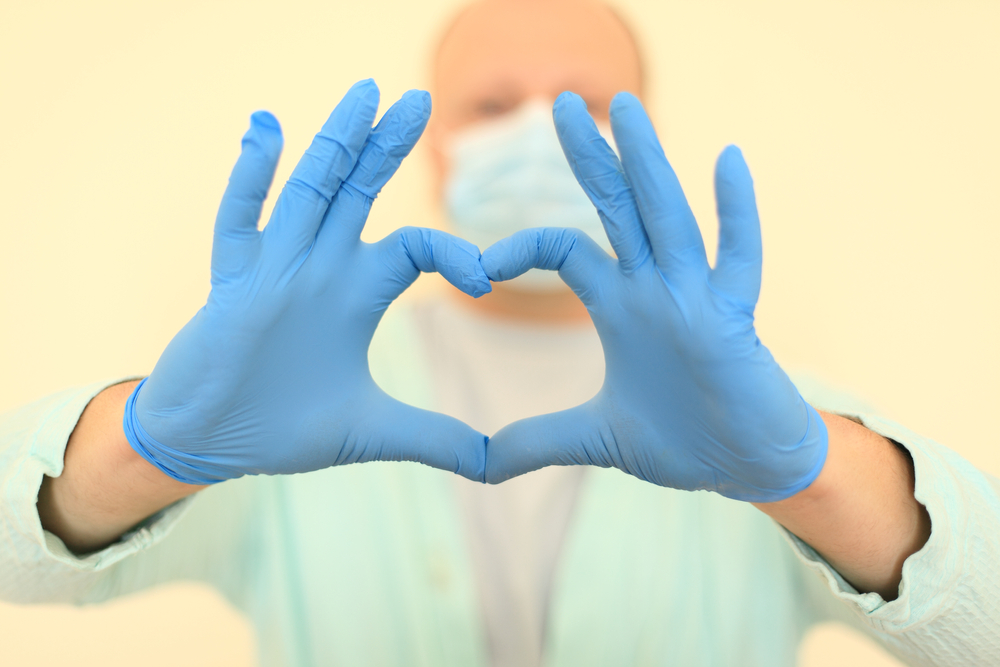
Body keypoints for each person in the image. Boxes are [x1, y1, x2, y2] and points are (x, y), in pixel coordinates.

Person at [1, 1, 998, 666]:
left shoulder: (758, 403)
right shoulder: (282, 404)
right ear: (435, 145)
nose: (538, 133)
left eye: (586, 108)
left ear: (643, 133)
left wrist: (813, 476)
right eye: (492, 103)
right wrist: (144, 446)